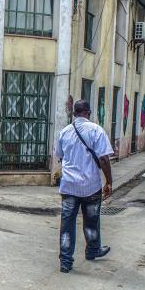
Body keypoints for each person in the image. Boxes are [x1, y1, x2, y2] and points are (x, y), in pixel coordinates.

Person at [55, 99, 113, 273]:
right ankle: (92, 250)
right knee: (91, 220)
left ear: (74, 113)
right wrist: (109, 181)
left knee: (67, 224)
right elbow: (104, 159)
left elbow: (60, 156)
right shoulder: (96, 130)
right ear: (88, 112)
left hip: (69, 186)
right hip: (91, 185)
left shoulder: (64, 132)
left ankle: (65, 262)